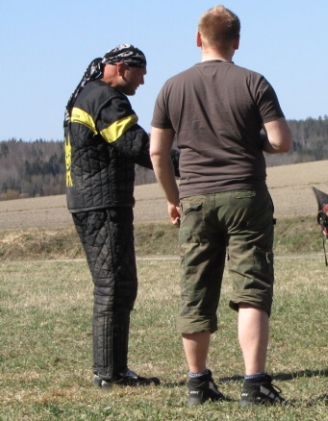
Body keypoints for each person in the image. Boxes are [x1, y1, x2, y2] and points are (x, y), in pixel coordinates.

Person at [150, 5, 292, 406]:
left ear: (198, 39)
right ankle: (255, 384)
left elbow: (158, 152)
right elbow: (281, 141)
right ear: (237, 42)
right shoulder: (253, 81)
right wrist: (254, 142)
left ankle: (198, 383)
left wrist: (172, 198)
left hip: (194, 196)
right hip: (245, 194)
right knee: (251, 288)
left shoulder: (171, 87)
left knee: (196, 290)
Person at [63, 44, 178, 389]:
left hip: (91, 202)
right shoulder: (106, 99)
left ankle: (113, 371)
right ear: (123, 68)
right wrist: (189, 164)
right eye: (141, 74)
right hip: (102, 205)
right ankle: (109, 374)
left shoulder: (89, 94)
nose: (143, 82)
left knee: (117, 286)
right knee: (114, 287)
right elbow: (138, 146)